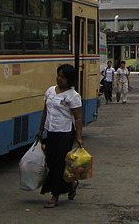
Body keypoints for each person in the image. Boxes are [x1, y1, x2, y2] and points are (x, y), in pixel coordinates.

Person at [35, 64, 83, 209]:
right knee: (50, 161)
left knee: (58, 164)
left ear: (70, 79)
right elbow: (45, 112)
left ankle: (55, 195)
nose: (59, 79)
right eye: (58, 75)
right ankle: (71, 183)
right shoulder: (50, 91)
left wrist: (79, 137)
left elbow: (78, 118)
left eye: (63, 77)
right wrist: (40, 130)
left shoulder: (73, 96)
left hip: (65, 134)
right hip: (51, 132)